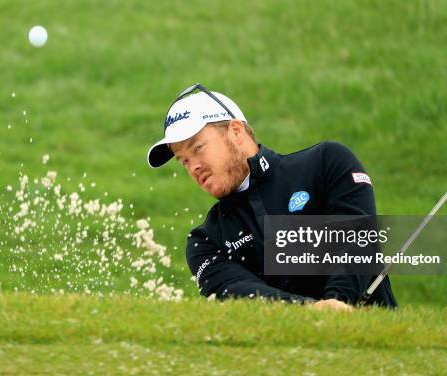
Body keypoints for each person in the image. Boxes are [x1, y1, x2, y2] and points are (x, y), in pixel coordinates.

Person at [147, 84, 397, 311]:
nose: (193, 167)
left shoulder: (326, 164)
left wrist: (339, 299)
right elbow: (239, 293)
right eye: (184, 161)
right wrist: (313, 310)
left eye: (198, 148)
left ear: (236, 131)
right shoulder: (206, 242)